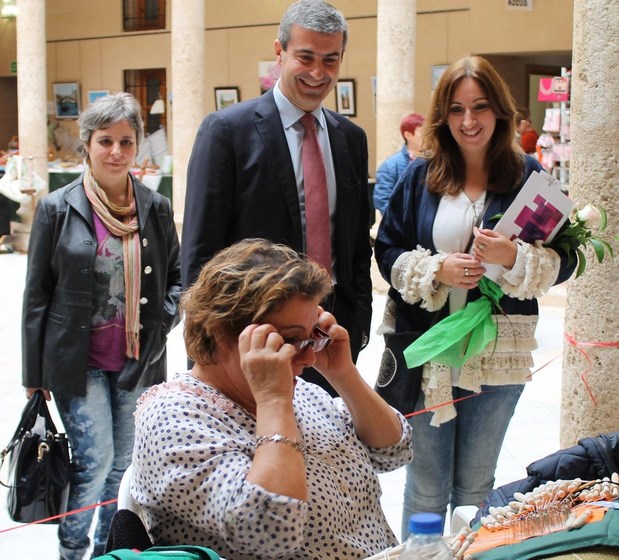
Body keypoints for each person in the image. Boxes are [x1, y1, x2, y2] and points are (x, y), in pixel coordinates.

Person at [373, 55, 576, 538]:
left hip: (497, 353)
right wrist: (435, 268)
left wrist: (512, 258)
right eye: (458, 109)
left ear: (499, 111)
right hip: (428, 348)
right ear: (443, 117)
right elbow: (387, 250)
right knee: (424, 486)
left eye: (480, 107)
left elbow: (564, 260)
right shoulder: (421, 176)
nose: (469, 121)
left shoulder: (528, 175)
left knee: (477, 486)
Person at [131, 238, 412, 560]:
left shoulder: (297, 389)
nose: (307, 360)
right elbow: (269, 531)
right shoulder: (172, 418)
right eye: (289, 339)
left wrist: (343, 374)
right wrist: (273, 402)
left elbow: (393, 451)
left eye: (312, 337)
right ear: (222, 333)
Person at [181, 0, 372, 397]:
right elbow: (201, 249)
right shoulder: (227, 132)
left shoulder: (351, 139)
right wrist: (209, 349)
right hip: (249, 339)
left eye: (330, 60)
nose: (318, 73)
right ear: (279, 51)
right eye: (305, 57)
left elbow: (354, 243)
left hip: (328, 337)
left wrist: (358, 322)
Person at [22, 92, 181, 560]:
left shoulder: (156, 206)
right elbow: (37, 295)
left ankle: (106, 553)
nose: (116, 151)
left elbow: (176, 279)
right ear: (87, 145)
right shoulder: (57, 208)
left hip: (138, 359)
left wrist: (161, 324)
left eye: (126, 142)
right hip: (76, 362)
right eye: (105, 140)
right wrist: (34, 375)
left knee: (124, 468)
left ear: (137, 148)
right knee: (94, 464)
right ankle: (71, 551)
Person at [373, 112, 424, 215]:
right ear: (408, 135)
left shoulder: (434, 161)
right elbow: (383, 200)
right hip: (403, 227)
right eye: (423, 132)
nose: (428, 136)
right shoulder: (390, 166)